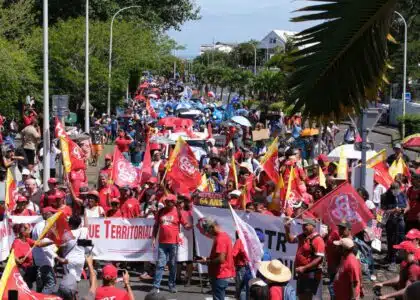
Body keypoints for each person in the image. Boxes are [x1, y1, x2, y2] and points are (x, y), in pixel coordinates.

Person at [151, 194, 191, 293]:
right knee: (160, 264)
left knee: (173, 265)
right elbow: (156, 226)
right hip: (162, 243)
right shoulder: (160, 212)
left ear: (173, 202)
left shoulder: (178, 212)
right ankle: (156, 286)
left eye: (169, 201)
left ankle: (171, 285)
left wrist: (190, 226)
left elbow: (185, 224)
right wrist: (153, 238)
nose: (167, 203)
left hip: (174, 243)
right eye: (166, 201)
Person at [285, 218, 325, 300]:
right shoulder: (302, 236)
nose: (303, 227)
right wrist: (287, 229)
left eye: (306, 225)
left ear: (313, 226)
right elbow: (290, 240)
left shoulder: (317, 239)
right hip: (302, 273)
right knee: (301, 297)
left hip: (310, 274)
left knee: (305, 297)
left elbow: (319, 258)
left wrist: (304, 268)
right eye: (303, 225)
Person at [196, 217, 235, 300]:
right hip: (222, 273)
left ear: (212, 227)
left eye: (208, 231)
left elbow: (221, 259)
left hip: (220, 274)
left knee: (218, 297)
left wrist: (207, 261)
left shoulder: (220, 239)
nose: (209, 233)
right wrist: (207, 259)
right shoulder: (223, 236)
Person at [32, 206, 61, 294]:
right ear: (46, 214)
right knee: (50, 283)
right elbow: (44, 246)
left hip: (39, 259)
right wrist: (58, 258)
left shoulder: (39, 225)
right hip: (45, 261)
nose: (54, 216)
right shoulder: (43, 225)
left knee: (41, 285)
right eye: (52, 213)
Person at [381, 182, 409, 270]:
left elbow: (408, 205)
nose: (396, 192)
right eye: (394, 190)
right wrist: (393, 210)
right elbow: (382, 210)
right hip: (390, 221)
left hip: (400, 219)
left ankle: (394, 255)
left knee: (401, 238)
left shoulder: (402, 195)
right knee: (391, 240)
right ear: (391, 189)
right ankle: (392, 259)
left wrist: (404, 210)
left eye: (398, 190)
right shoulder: (385, 196)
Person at [59, 215, 89, 283]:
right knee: (77, 280)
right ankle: (75, 292)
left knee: (70, 281)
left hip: (69, 260)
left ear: (70, 224)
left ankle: (71, 293)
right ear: (80, 223)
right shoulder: (83, 231)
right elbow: (86, 225)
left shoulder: (66, 234)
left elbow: (62, 248)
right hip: (81, 260)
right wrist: (85, 213)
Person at [233, 232, 250, 300]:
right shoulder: (246, 241)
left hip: (241, 266)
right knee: (245, 288)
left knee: (241, 288)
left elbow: (233, 253)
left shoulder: (239, 241)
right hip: (247, 267)